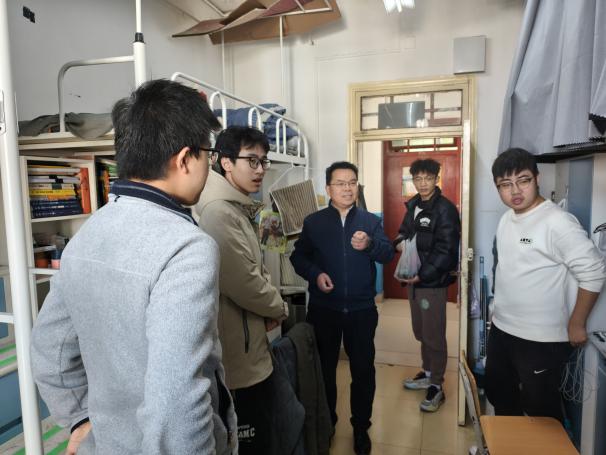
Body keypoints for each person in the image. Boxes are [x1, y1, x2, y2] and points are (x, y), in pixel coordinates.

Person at [30, 79, 237, 454]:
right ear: (184, 159)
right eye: (207, 154)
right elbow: (176, 399)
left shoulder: (88, 234)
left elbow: (50, 350)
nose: (208, 166)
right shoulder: (186, 248)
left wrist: (79, 417)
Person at [485, 147, 606, 423]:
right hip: (502, 330)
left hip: (540, 340)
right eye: (505, 184)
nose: (515, 190)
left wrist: (577, 322)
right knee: (499, 395)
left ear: (537, 179)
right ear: (498, 188)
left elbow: (594, 271)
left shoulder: (557, 222)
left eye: (523, 180)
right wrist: (496, 310)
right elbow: (507, 268)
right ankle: (510, 444)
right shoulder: (506, 219)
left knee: (541, 412)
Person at [194, 125, 291, 454]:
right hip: (238, 355)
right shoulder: (219, 213)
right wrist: (279, 307)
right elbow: (244, 283)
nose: (260, 169)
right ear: (225, 162)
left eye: (263, 161)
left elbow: (255, 268)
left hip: (248, 342)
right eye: (252, 160)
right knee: (251, 438)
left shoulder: (238, 207)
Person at [290, 161, 394, 455]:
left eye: (352, 183)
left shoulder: (370, 221)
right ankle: (328, 424)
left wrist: (370, 244)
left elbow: (387, 254)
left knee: (363, 371)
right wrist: (315, 274)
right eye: (340, 183)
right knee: (324, 371)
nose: (347, 188)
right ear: (328, 188)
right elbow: (298, 258)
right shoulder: (314, 222)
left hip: (361, 310)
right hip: (324, 310)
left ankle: (361, 428)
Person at [393, 158, 460, 412]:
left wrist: (423, 275)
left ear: (436, 179)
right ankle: (428, 373)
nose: (423, 183)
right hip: (414, 280)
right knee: (420, 331)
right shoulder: (413, 205)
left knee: (433, 334)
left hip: (431, 283)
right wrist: (398, 242)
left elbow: (447, 250)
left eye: (428, 178)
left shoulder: (445, 209)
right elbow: (403, 231)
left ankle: (437, 385)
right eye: (418, 179)